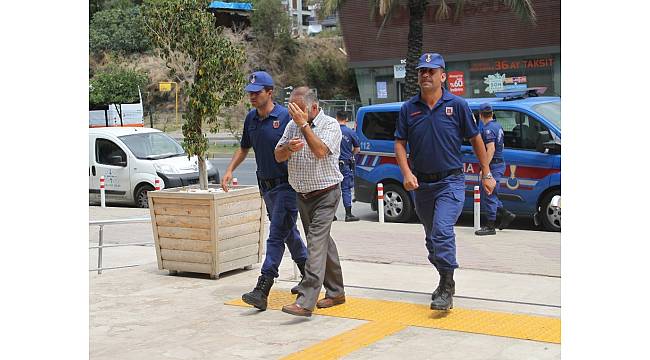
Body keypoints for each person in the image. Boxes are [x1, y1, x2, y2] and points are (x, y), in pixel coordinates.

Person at [394, 53, 496, 311]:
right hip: (422, 186)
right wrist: (406, 173)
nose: (426, 75)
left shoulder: (458, 105)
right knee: (432, 241)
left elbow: (475, 140)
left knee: (442, 231)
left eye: (431, 71)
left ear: (443, 76)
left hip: (451, 180)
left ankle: (447, 287)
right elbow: (399, 143)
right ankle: (443, 277)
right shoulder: (409, 109)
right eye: (422, 71)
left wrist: (486, 172)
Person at [221, 71, 308, 311]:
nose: (252, 96)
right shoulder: (251, 119)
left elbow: (302, 146)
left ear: (270, 92)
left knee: (276, 234)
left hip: (286, 185)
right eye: (250, 92)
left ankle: (263, 287)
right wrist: (229, 170)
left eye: (257, 92)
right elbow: (244, 147)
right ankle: (309, 275)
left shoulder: (285, 117)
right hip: (266, 186)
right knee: (288, 232)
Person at [274, 86, 345, 317]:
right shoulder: (291, 125)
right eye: (292, 108)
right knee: (323, 243)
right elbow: (278, 155)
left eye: (299, 109)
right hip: (302, 195)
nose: (294, 113)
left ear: (314, 107)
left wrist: (304, 126)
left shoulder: (330, 125)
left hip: (326, 194)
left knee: (315, 244)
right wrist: (287, 148)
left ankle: (306, 300)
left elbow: (321, 151)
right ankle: (336, 292)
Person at [475, 103, 516, 236]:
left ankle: (490, 226)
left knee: (489, 193)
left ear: (481, 115)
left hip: (493, 165)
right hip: (498, 163)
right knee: (490, 192)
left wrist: (484, 168)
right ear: (492, 113)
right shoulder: (497, 125)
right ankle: (505, 214)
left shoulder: (487, 129)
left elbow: (491, 148)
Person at [336, 110, 361, 222]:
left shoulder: (332, 130)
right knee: (346, 188)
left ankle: (331, 215)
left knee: (332, 190)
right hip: (345, 164)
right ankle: (348, 214)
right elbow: (357, 149)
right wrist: (350, 154)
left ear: (336, 118)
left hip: (332, 164)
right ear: (346, 119)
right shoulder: (350, 132)